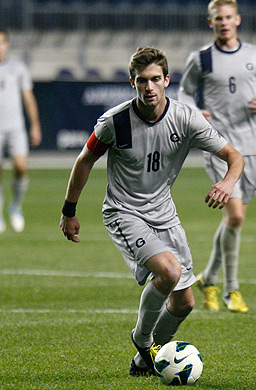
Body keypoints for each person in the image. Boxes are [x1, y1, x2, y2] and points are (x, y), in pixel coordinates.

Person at [60, 47, 244, 376]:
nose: (149, 87)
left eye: (155, 79)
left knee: (184, 302)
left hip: (164, 214)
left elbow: (234, 156)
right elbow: (84, 160)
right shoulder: (115, 122)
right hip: (123, 212)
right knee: (169, 272)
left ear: (167, 80)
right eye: (142, 81)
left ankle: (142, 364)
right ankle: (143, 341)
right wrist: (69, 210)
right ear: (132, 83)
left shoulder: (186, 118)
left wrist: (228, 183)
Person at [178, 0, 256, 314]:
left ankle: (208, 278)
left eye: (228, 17)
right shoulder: (201, 58)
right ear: (210, 22)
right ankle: (231, 290)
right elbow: (184, 92)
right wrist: (196, 112)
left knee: (234, 221)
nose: (223, 22)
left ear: (237, 19)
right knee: (235, 216)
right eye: (217, 18)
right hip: (219, 145)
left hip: (251, 145)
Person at [0, 28, 42, 234]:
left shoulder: (17, 67)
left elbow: (28, 97)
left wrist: (35, 124)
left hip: (15, 127)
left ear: (7, 44)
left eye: (0, 42)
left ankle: (15, 206)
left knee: (21, 168)